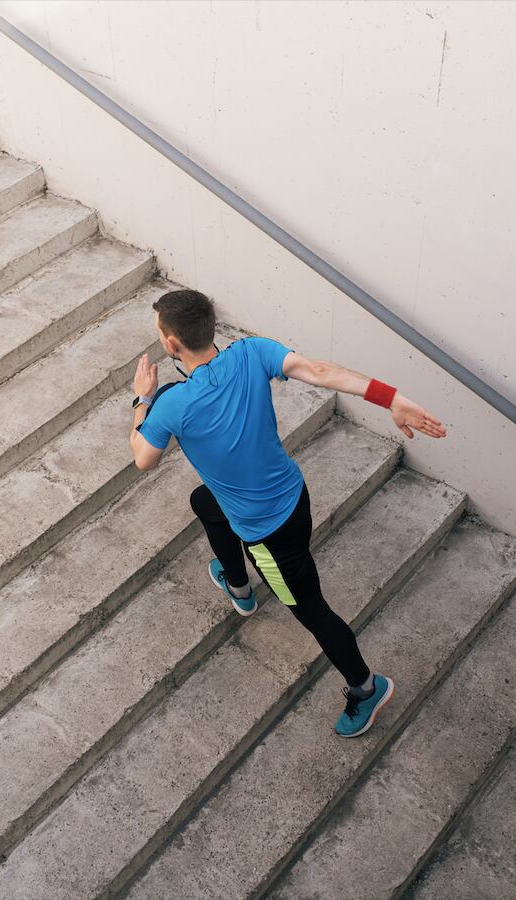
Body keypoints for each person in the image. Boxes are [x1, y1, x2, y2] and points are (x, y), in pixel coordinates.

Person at [127, 289, 448, 737]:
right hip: (293, 495)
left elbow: (143, 456)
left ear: (171, 345)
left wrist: (141, 399)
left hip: (267, 535)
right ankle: (238, 586)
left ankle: (365, 687)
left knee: (310, 609)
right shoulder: (252, 351)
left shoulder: (170, 404)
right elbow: (318, 371)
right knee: (205, 501)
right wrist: (389, 397)